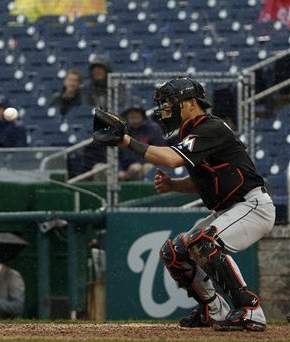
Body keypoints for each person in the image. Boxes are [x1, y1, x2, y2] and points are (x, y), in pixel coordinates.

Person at [92, 76, 275, 331]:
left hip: (253, 206)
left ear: (190, 103)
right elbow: (204, 181)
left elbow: (171, 160)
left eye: (170, 101)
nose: (165, 107)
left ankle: (250, 309)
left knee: (204, 243)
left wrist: (126, 141)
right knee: (174, 252)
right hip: (232, 208)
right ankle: (213, 310)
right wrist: (174, 185)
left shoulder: (209, 127)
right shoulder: (192, 132)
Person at [117, 107, 165, 181]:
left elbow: (160, 153)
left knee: (148, 167)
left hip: (145, 165)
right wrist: (119, 170)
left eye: (136, 112)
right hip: (125, 168)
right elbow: (115, 154)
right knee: (108, 171)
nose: (134, 115)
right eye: (131, 113)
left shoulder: (153, 128)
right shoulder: (121, 130)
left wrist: (141, 164)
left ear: (142, 114)